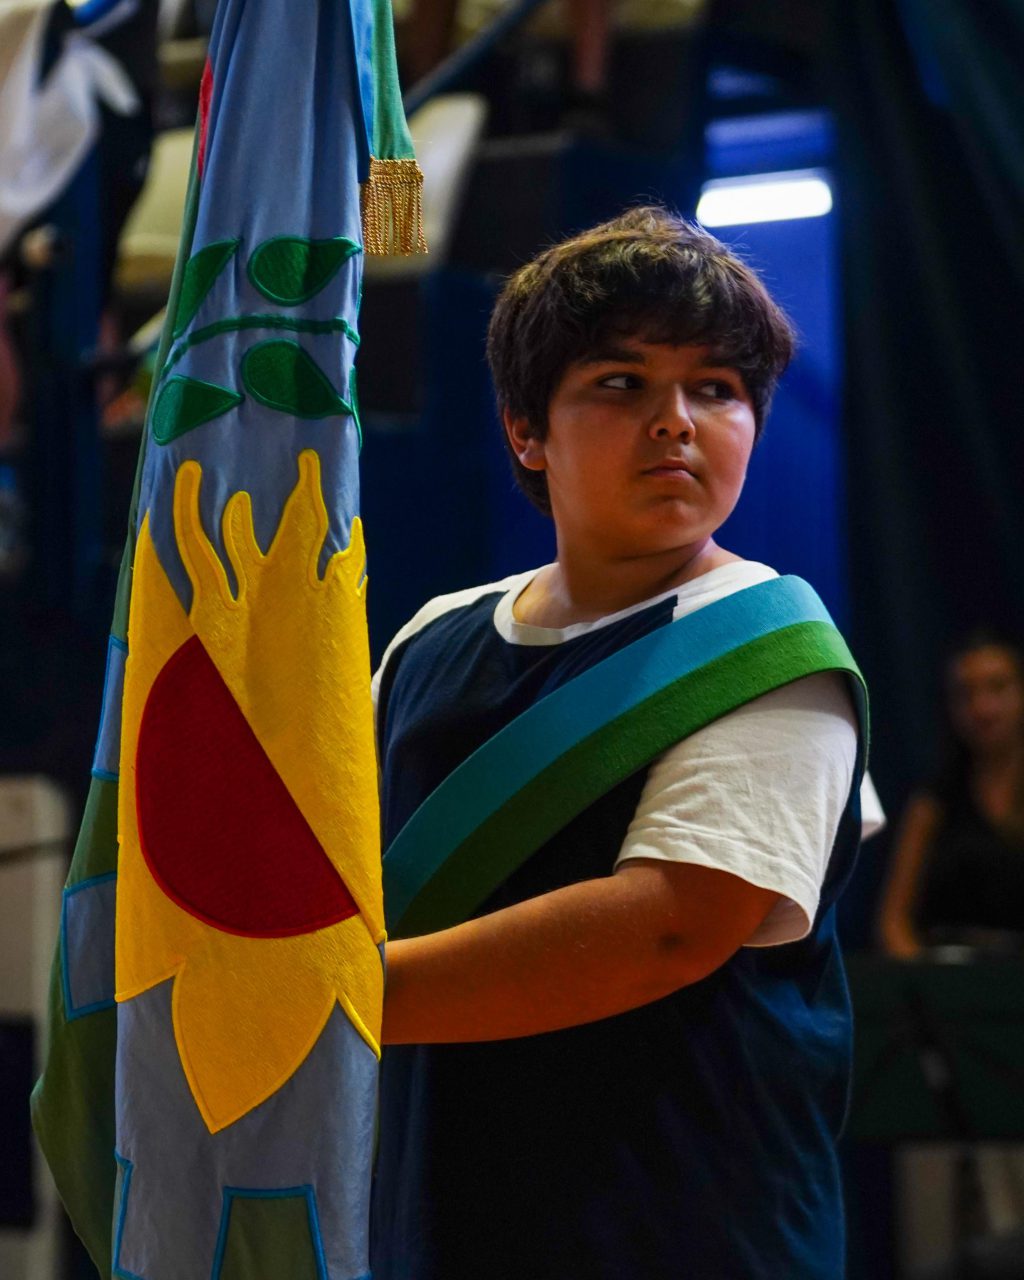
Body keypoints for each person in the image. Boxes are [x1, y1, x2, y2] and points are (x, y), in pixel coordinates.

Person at [370, 206, 868, 1278]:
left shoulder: (777, 652)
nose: (675, 421)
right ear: (525, 429)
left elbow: (669, 927)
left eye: (716, 388)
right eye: (621, 382)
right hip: (437, 1229)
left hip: (688, 1238)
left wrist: (311, 1001)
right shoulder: (430, 639)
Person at [879, 634, 1024, 958]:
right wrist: (925, 978)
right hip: (947, 972)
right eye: (966, 693)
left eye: (997, 687)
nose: (982, 708)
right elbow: (893, 921)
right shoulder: (932, 802)